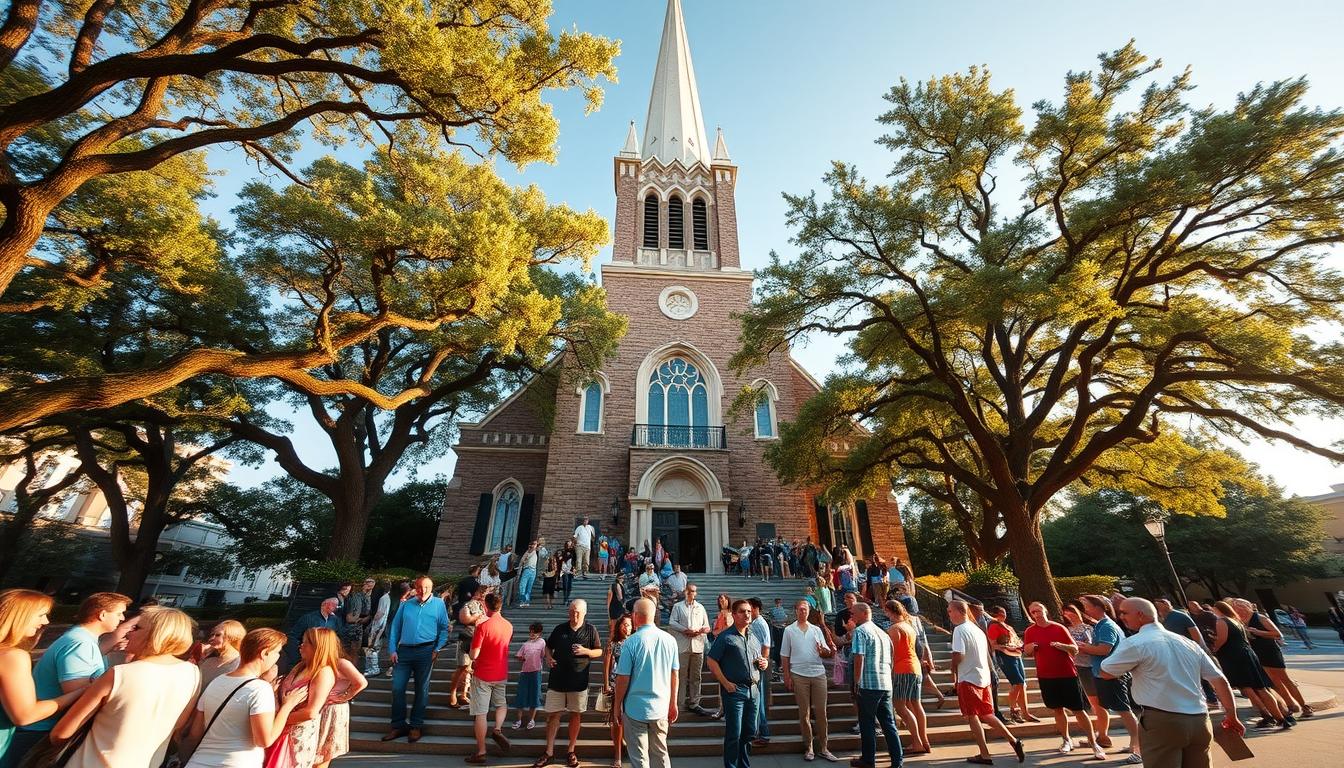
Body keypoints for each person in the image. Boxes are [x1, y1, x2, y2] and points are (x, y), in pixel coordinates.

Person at [1101, 598, 1244, 768]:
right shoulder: (1187, 643)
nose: (1121, 617)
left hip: (1162, 719)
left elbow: (1106, 672)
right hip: (1199, 720)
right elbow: (1219, 680)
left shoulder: (1136, 643)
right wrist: (1232, 715)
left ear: (1140, 615)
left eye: (1124, 613)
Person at [53, 607, 201, 768]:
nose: (129, 632)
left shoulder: (119, 674)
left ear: (156, 634)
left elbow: (61, 733)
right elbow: (178, 725)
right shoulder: (192, 673)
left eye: (136, 628)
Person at [9, 591, 131, 762]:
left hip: (38, 729)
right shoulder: (80, 643)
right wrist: (95, 689)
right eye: (119, 613)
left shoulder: (83, 639)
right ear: (102, 615)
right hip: (39, 732)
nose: (122, 618)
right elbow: (80, 699)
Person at [183, 628, 305, 768]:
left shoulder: (217, 681)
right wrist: (287, 707)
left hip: (198, 761)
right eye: (277, 652)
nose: (278, 657)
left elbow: (194, 734)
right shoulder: (260, 688)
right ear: (264, 653)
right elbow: (264, 740)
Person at [0, 590, 87, 768]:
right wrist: (80, 692)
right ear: (20, 616)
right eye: (41, 615)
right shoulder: (12, 657)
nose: (46, 622)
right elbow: (25, 716)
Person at [1021, 601, 1106, 760]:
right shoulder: (1030, 631)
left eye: (1039, 610)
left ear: (1045, 610)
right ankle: (1066, 739)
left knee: (1078, 709)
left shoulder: (1059, 628)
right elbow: (1026, 651)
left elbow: (1075, 649)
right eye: (1033, 612)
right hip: (1046, 676)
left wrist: (1062, 646)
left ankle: (1093, 743)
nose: (1037, 614)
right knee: (1057, 709)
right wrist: (1030, 647)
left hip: (1067, 674)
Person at [948, 599, 1025, 765]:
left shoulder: (959, 630)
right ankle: (1013, 740)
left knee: (972, 716)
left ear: (960, 611)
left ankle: (985, 753)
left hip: (968, 678)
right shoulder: (978, 630)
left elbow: (959, 655)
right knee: (987, 714)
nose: (949, 615)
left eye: (950, 611)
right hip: (983, 678)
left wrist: (952, 670)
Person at [613, 598, 679, 768]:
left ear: (635, 616)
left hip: (635, 707)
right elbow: (674, 675)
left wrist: (617, 705)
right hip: (661, 706)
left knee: (639, 758)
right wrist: (673, 703)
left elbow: (623, 678)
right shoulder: (670, 640)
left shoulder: (631, 642)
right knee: (661, 753)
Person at [535, 599, 602, 768]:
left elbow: (599, 651)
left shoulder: (591, 630)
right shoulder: (560, 629)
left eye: (578, 612)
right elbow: (548, 646)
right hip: (557, 679)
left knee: (575, 715)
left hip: (578, 681)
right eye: (572, 611)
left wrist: (586, 651)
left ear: (585, 612)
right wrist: (548, 657)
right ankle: (549, 752)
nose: (574, 614)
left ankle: (571, 750)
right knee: (553, 715)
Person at [384, 575, 450, 743]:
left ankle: (416, 725)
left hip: (426, 651)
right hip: (404, 651)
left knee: (421, 689)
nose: (423, 591)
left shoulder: (439, 604)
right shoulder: (406, 604)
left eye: (427, 587)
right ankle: (398, 725)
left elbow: (444, 628)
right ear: (415, 587)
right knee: (397, 688)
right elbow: (395, 628)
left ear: (432, 588)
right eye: (420, 587)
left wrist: (437, 648)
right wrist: (392, 649)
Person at [262, 627, 341, 768]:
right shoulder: (300, 666)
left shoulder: (323, 672)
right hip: (280, 731)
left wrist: (279, 719)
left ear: (318, 646)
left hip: (296, 739)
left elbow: (311, 712)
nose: (301, 645)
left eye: (306, 642)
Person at [1078, 594, 1142, 761]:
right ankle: (1133, 745)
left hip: (1113, 675)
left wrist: (1083, 647)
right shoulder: (1102, 624)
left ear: (1098, 607)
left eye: (1086, 605)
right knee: (1122, 710)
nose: (1084, 609)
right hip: (1108, 673)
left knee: (1124, 710)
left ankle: (1138, 748)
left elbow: (1104, 649)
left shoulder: (1106, 626)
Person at [1208, 600, 1290, 729]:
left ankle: (1268, 715)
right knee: (1261, 688)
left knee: (1247, 687)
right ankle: (1280, 718)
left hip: (1234, 657)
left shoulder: (1222, 621)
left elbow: (1222, 639)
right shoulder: (1236, 620)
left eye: (1214, 609)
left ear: (1219, 610)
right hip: (1247, 654)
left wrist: (1214, 648)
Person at [706, 599, 767, 768]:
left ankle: (743, 765)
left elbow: (758, 658)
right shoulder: (726, 637)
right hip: (735, 692)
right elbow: (711, 660)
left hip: (754, 690)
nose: (746, 614)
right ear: (733, 615)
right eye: (742, 611)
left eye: (748, 611)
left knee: (749, 732)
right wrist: (725, 683)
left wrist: (763, 663)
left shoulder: (753, 636)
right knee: (734, 734)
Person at [1230, 599, 1312, 720]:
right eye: (1236, 607)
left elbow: (1277, 634)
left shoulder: (1260, 618)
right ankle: (1290, 705)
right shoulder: (1240, 620)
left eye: (1241, 606)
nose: (1239, 609)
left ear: (1248, 606)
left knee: (1285, 680)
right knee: (1274, 682)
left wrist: (1258, 632)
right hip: (1257, 654)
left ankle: (1305, 706)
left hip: (1270, 652)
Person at [847, 601, 902, 768]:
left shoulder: (860, 631)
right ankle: (897, 761)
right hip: (885, 683)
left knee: (867, 722)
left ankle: (868, 759)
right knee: (888, 723)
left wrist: (856, 681)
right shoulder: (883, 633)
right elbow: (892, 659)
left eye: (854, 613)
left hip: (868, 684)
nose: (851, 616)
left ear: (864, 613)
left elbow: (859, 657)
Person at [782, 599, 836, 762]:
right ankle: (809, 747)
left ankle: (824, 747)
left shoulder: (816, 629)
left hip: (818, 673)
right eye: (800, 609)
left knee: (821, 711)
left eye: (805, 609)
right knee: (804, 712)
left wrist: (823, 650)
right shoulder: (789, 630)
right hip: (798, 674)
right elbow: (784, 655)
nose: (802, 612)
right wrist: (787, 676)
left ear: (809, 611)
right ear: (795, 611)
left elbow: (826, 651)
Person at [464, 593, 512, 764]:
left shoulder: (483, 626)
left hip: (483, 673)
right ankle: (497, 729)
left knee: (481, 713)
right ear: (500, 605)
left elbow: (474, 654)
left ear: (486, 606)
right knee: (501, 704)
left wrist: (470, 649)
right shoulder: (508, 626)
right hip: (501, 671)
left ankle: (481, 751)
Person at [882, 599, 929, 756]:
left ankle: (917, 742)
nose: (885, 613)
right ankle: (924, 740)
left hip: (902, 669)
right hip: (915, 667)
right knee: (916, 704)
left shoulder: (894, 629)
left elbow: (892, 653)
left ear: (890, 611)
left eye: (885, 610)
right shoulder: (909, 626)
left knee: (900, 706)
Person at [1061, 601, 1109, 746]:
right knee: (1087, 704)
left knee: (1097, 704)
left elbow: (1091, 646)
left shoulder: (1088, 628)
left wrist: (1075, 647)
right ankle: (1096, 735)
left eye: (1071, 611)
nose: (1069, 614)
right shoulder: (1066, 629)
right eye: (1065, 612)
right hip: (1074, 667)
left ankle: (1103, 736)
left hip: (1087, 667)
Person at [986, 605, 1037, 724]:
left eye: (1004, 613)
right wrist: (1006, 647)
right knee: (1017, 682)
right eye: (1000, 613)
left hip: (1016, 655)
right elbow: (993, 645)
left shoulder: (1008, 626)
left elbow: (1016, 640)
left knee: (1022, 684)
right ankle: (1014, 710)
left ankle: (1025, 712)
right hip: (1004, 656)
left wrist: (1019, 647)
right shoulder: (993, 626)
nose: (1003, 615)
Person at [666, 583, 710, 717]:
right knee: (681, 675)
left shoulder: (700, 607)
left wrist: (701, 631)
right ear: (685, 592)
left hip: (697, 645)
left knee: (696, 676)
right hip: (683, 645)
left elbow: (707, 626)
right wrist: (685, 630)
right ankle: (679, 703)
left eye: (694, 591)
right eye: (689, 591)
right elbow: (672, 622)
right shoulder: (678, 606)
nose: (691, 593)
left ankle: (694, 702)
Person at [452, 583, 490, 710]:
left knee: (472, 668)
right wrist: (477, 617)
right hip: (468, 638)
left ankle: (465, 693)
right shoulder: (470, 604)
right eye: (482, 593)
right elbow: (464, 619)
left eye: (486, 593)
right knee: (463, 666)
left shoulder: (486, 605)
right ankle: (455, 694)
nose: (483, 595)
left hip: (480, 639)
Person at [604, 615, 634, 768]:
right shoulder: (613, 643)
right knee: (616, 720)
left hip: (633, 685)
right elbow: (606, 665)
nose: (626, 627)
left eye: (629, 625)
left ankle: (624, 744)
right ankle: (618, 755)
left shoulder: (635, 642)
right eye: (624, 624)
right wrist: (606, 684)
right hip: (615, 684)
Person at [284, 597, 342, 670]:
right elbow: (293, 636)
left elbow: (338, 636)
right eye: (333, 605)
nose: (336, 608)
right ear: (324, 604)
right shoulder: (308, 618)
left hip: (326, 657)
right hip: (309, 657)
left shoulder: (335, 620)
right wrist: (298, 656)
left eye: (337, 605)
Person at [746, 598, 773, 747]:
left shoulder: (760, 623)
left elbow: (766, 645)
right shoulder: (754, 623)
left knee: (759, 701)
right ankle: (759, 732)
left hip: (759, 666)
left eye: (749, 608)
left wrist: (763, 662)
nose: (747, 612)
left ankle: (763, 733)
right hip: (754, 665)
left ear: (756, 608)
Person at [514, 623, 547, 731]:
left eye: (535, 632)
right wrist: (522, 658)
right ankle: (519, 720)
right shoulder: (525, 644)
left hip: (536, 672)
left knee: (534, 696)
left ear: (540, 633)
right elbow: (519, 655)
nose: (532, 634)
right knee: (521, 696)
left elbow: (544, 654)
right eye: (531, 632)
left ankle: (531, 720)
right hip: (524, 673)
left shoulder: (542, 642)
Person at [199, 620, 246, 688]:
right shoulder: (209, 661)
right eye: (212, 635)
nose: (211, 638)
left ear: (232, 637)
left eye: (218, 635)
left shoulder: (240, 663)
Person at [364, 581, 392, 676]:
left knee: (372, 647)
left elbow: (380, 613)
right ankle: (373, 668)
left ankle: (373, 668)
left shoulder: (383, 598)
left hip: (378, 626)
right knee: (374, 647)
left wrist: (373, 622)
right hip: (382, 626)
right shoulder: (388, 597)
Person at [343, 578, 374, 654]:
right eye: (368, 583)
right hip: (352, 629)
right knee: (351, 652)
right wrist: (362, 619)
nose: (370, 584)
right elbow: (350, 618)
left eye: (372, 582)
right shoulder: (356, 597)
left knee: (355, 652)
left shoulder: (367, 596)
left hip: (359, 628)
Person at [518, 541, 541, 607]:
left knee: (529, 587)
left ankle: (526, 602)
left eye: (535, 544)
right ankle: (523, 601)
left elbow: (542, 550)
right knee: (522, 586)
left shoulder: (536, 551)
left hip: (533, 571)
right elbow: (522, 560)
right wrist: (519, 570)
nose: (534, 545)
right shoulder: (528, 552)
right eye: (533, 544)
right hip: (527, 569)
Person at [607, 571, 628, 640]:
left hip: (618, 608)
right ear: (617, 578)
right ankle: (611, 643)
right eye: (620, 578)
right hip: (616, 608)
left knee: (618, 628)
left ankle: (615, 642)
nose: (622, 579)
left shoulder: (620, 585)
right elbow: (619, 597)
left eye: (623, 578)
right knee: (613, 629)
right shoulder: (616, 585)